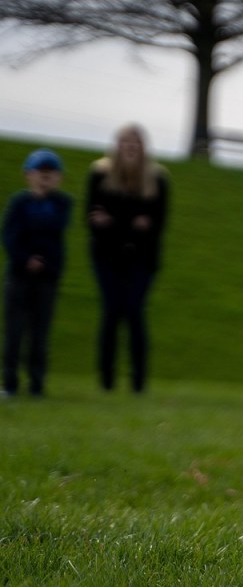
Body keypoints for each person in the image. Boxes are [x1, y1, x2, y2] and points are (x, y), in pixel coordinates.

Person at [85, 124, 169, 393]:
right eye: (125, 142)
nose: (130, 147)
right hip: (107, 257)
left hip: (141, 259)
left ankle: (138, 381)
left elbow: (156, 225)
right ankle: (107, 380)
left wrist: (115, 222)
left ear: (144, 147)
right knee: (111, 313)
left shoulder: (157, 179)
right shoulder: (100, 174)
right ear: (117, 145)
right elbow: (93, 219)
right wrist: (130, 224)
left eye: (136, 142)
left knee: (134, 312)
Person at [2, 149, 73, 397]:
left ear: (59, 177)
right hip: (19, 275)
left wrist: (43, 261)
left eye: (50, 173)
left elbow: (52, 231)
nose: (45, 178)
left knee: (39, 332)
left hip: (47, 277)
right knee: (14, 331)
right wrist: (25, 260)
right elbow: (10, 237)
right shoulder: (19, 203)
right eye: (39, 173)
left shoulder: (62, 204)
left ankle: (36, 383)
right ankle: (10, 383)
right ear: (28, 175)